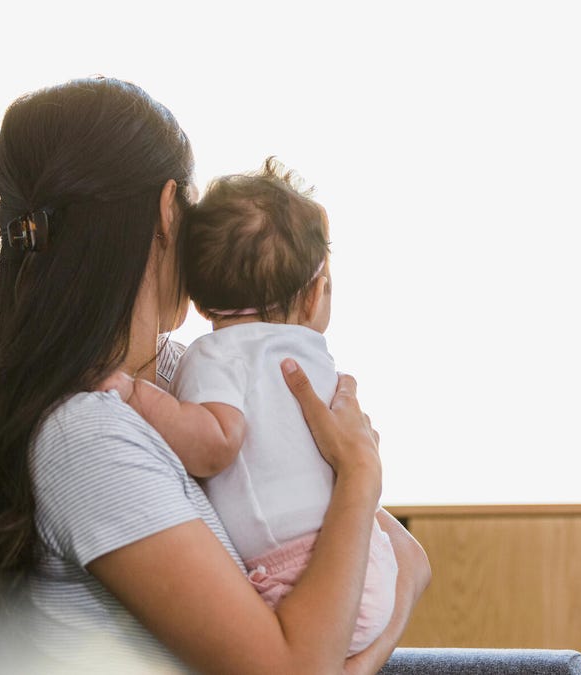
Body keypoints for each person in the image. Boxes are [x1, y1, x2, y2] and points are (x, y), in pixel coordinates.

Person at [0, 77, 430, 674]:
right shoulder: (88, 435)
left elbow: (406, 556)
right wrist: (358, 475)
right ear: (170, 211)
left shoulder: (176, 374)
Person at [100, 158, 398, 656]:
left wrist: (134, 395)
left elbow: (213, 444)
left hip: (298, 574)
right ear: (313, 295)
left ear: (198, 302)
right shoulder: (310, 354)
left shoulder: (219, 354)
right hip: (364, 559)